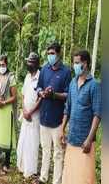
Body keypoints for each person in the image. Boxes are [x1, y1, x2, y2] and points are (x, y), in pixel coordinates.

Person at [61, 50, 101, 184]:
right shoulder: (73, 83)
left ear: (86, 63)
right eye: (74, 63)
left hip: (85, 142)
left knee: (85, 179)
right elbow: (68, 108)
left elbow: (97, 114)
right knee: (71, 176)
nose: (75, 65)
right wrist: (62, 129)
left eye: (77, 63)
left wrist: (89, 139)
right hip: (72, 139)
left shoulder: (94, 85)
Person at [36, 42, 71, 184]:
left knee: (58, 153)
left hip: (57, 119)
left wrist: (54, 95)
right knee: (45, 150)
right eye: (48, 53)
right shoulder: (44, 69)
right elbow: (38, 86)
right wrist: (42, 92)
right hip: (44, 117)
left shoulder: (66, 72)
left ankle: (56, 181)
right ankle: (43, 178)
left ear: (58, 54)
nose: (50, 56)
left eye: (52, 53)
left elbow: (68, 94)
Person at [16, 52, 41, 179]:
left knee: (32, 143)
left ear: (36, 63)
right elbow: (23, 95)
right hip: (25, 114)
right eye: (28, 62)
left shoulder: (41, 77)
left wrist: (30, 112)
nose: (28, 64)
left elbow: (40, 99)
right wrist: (24, 110)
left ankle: (31, 170)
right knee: (24, 141)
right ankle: (22, 167)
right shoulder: (27, 77)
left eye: (31, 62)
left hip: (35, 116)